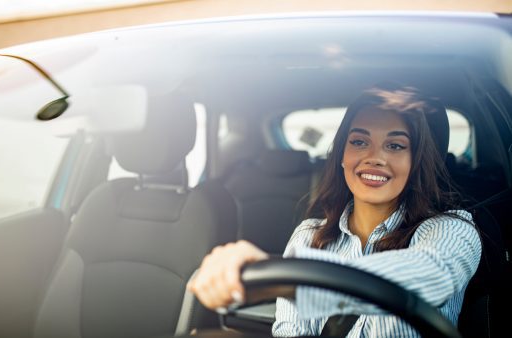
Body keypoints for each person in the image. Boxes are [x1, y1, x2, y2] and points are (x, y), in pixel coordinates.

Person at [187, 83, 481, 337]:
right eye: (359, 141)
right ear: (342, 155)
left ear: (416, 161)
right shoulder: (308, 237)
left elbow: (433, 275)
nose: (374, 158)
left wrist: (290, 282)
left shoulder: (452, 229)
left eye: (395, 145)